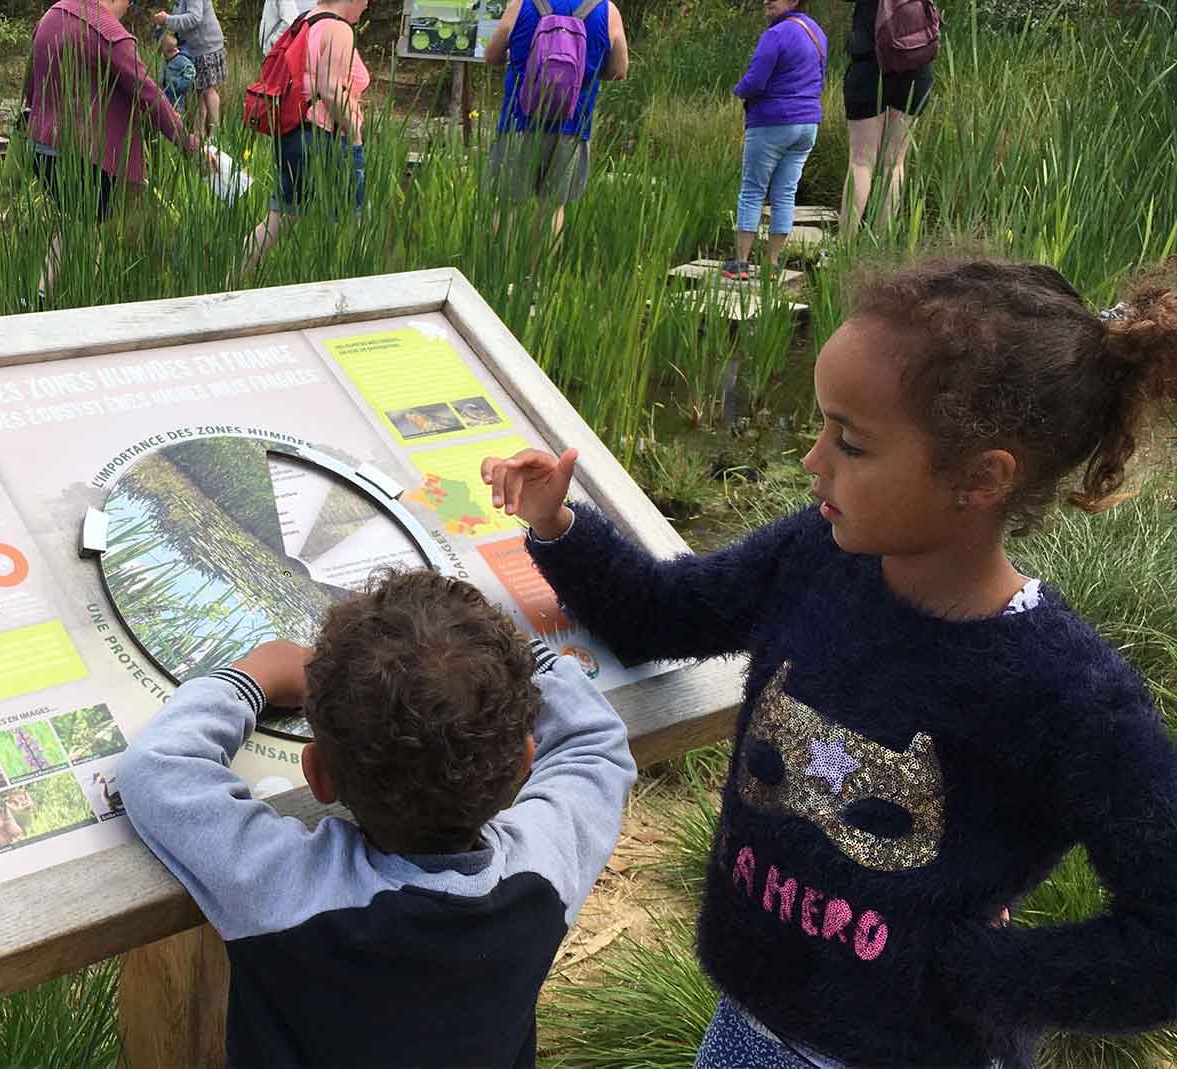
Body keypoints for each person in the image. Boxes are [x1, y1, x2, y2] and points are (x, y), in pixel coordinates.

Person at [484, 258, 1177, 1067]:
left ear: (981, 478)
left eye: (849, 441)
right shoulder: (818, 554)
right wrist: (557, 523)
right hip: (750, 1017)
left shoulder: (1065, 692)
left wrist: (979, 974)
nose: (814, 460)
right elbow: (662, 613)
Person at [121, 569, 635, 1066]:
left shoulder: (287, 887)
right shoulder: (546, 872)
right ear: (525, 764)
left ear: (318, 776)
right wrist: (514, 658)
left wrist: (252, 677)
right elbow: (594, 745)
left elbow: (159, 770)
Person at [22, 0, 212, 308]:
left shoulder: (51, 16)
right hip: (87, 158)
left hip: (41, 150)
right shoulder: (108, 32)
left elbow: (31, 83)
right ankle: (99, 301)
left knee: (74, 223)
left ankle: (41, 298)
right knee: (113, 212)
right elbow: (150, 96)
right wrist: (190, 145)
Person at [238, 0, 369, 278]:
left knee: (277, 220)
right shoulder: (338, 27)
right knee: (350, 226)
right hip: (322, 138)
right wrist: (355, 135)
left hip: (294, 135)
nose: (367, 5)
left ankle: (229, 285)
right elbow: (330, 89)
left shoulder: (306, 20)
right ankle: (340, 300)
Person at [483, 0, 628, 247]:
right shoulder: (607, 11)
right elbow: (619, 70)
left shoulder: (520, 5)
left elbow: (491, 56)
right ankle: (538, 281)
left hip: (518, 121)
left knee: (509, 204)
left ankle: (500, 280)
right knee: (553, 208)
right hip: (572, 126)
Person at [724, 0, 826, 280]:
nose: (767, 0)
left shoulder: (776, 34)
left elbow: (755, 81)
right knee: (785, 192)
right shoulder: (817, 32)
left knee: (753, 189)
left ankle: (741, 264)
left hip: (772, 121)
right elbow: (820, 78)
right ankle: (772, 264)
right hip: (808, 124)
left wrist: (738, 89)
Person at [839, 0, 934, 234]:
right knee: (895, 163)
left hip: (870, 62)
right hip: (916, 61)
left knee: (861, 160)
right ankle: (879, 244)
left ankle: (844, 246)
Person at [154, 0, 226, 137]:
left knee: (208, 90)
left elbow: (194, 18)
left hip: (207, 46)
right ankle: (199, 134)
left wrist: (167, 19)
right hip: (194, 48)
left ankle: (215, 136)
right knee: (200, 91)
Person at [156, 29, 198, 114]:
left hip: (176, 95)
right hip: (167, 93)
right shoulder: (167, 60)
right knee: (168, 113)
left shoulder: (180, 59)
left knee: (176, 114)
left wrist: (181, 86)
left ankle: (178, 126)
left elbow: (191, 71)